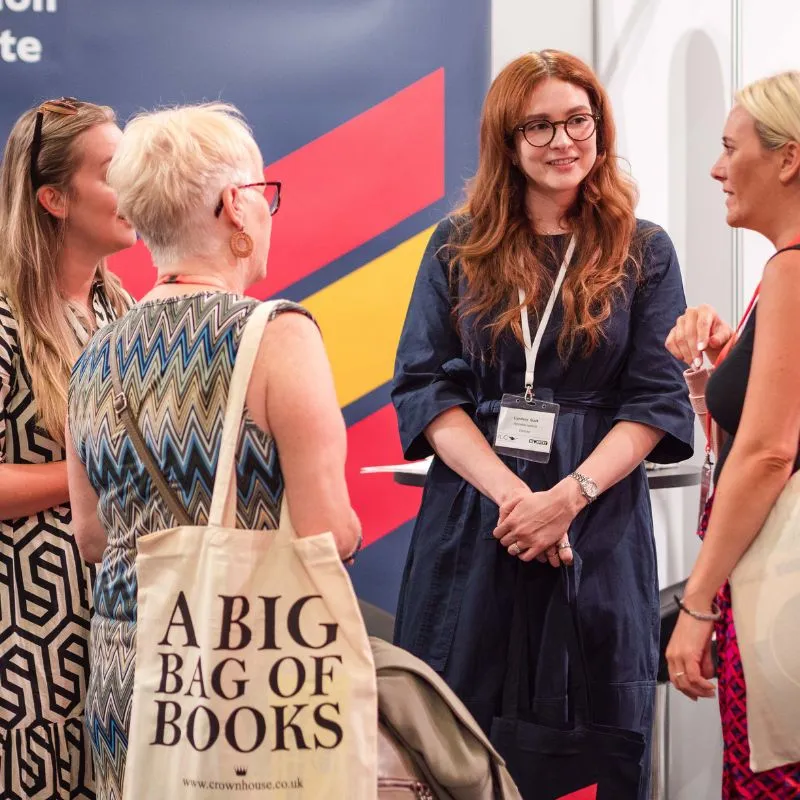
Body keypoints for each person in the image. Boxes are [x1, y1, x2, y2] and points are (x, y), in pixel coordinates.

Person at [391, 50, 694, 799]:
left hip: (596, 525)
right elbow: (426, 389)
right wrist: (514, 501)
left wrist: (567, 498)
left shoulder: (643, 249)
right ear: (507, 138)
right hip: (477, 523)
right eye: (540, 126)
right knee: (458, 734)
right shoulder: (456, 246)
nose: (564, 141)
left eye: (578, 121)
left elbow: (656, 401)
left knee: (598, 737)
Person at [64, 103, 362, 799]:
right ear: (235, 205)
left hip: (124, 690)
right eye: (263, 194)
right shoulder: (277, 336)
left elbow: (92, 536)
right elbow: (327, 535)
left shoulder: (95, 352)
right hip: (241, 696)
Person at [666, 71, 800, 798]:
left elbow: (769, 453)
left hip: (776, 605)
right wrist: (716, 375)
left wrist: (696, 603)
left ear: (788, 158)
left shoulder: (793, 269)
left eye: (729, 148)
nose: (717, 169)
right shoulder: (779, 274)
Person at [0, 98, 135, 798]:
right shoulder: (3, 315)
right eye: (115, 171)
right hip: (23, 637)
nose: (138, 185)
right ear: (53, 198)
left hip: (108, 628)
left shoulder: (122, 309)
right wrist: (91, 476)